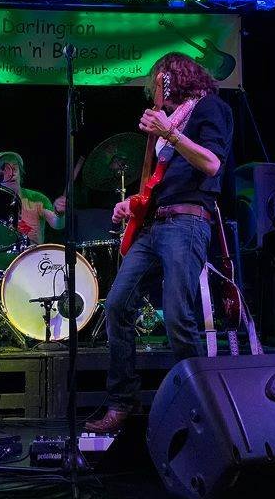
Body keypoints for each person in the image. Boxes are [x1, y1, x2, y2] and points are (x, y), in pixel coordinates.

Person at [84, 52, 233, 434]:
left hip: (187, 221)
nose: (155, 90)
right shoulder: (163, 129)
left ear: (176, 79)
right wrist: (129, 205)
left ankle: (199, 405)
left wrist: (170, 133)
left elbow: (213, 164)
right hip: (153, 224)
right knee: (117, 304)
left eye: (160, 82)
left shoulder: (209, 109)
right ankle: (122, 401)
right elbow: (156, 186)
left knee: (179, 317)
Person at [0, 151, 66, 245]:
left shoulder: (36, 198)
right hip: (2, 257)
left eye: (15, 168)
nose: (13, 173)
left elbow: (57, 224)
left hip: (32, 256)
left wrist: (59, 213)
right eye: (6, 169)